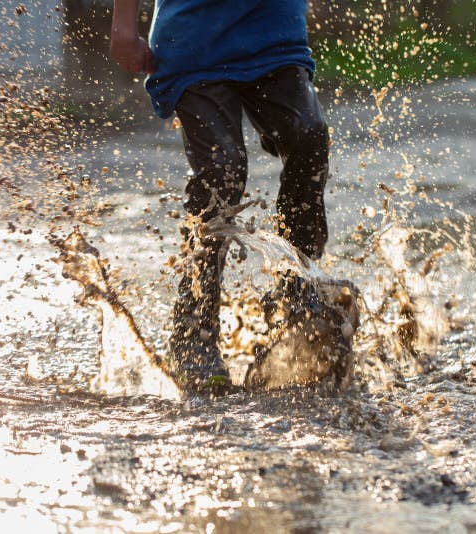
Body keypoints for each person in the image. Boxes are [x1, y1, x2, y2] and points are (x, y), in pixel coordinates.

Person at [109, 0, 329, 391]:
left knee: (308, 136)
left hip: (273, 27)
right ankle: (193, 329)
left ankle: (297, 296)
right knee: (222, 169)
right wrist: (123, 26)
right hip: (195, 38)